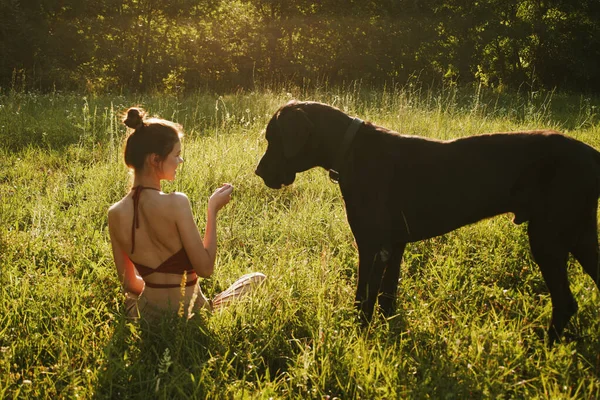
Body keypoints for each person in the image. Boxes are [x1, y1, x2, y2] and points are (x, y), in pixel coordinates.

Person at [107, 107, 265, 321]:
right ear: (155, 160)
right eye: (176, 155)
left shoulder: (115, 212)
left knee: (129, 298)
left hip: (148, 316)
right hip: (192, 313)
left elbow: (129, 283)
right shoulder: (177, 202)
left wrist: (158, 290)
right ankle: (209, 306)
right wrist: (213, 209)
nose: (180, 162)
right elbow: (205, 268)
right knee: (257, 278)